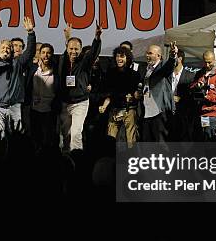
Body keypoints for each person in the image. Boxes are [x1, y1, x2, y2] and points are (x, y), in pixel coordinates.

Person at [0, 17, 36, 138]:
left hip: (14, 106)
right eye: (3, 48)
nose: (6, 50)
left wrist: (30, 33)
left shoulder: (17, 63)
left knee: (17, 137)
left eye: (8, 48)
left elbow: (30, 52)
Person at [58, 22, 102, 151]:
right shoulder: (62, 60)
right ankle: (66, 159)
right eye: (71, 49)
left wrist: (97, 38)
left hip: (80, 103)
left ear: (81, 50)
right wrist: (67, 37)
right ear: (67, 49)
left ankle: (78, 160)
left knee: (76, 133)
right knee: (66, 134)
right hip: (65, 103)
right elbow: (69, 47)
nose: (74, 51)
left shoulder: (85, 62)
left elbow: (94, 52)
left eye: (76, 49)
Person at [99, 46, 140, 148]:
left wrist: (136, 95)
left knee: (131, 139)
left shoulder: (134, 74)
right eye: (117, 56)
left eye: (122, 56)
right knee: (110, 138)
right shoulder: (110, 73)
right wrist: (104, 106)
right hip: (114, 109)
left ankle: (132, 159)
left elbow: (136, 92)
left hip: (129, 110)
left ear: (128, 58)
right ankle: (110, 160)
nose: (119, 59)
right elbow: (109, 94)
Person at [138, 43, 177, 142]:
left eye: (150, 53)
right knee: (147, 143)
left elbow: (169, 66)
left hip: (159, 111)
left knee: (160, 143)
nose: (147, 55)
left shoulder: (162, 66)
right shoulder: (145, 68)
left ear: (158, 56)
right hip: (146, 111)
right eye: (147, 53)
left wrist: (172, 56)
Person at [25, 43, 59, 151]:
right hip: (34, 108)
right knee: (35, 136)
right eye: (43, 52)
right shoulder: (33, 68)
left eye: (48, 53)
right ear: (39, 54)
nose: (46, 55)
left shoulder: (56, 70)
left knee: (48, 138)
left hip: (49, 110)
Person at [189, 49, 216, 141]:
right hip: (199, 114)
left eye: (209, 62)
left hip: (210, 115)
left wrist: (209, 98)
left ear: (215, 60)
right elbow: (191, 87)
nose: (207, 65)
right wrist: (197, 86)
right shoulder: (200, 73)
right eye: (205, 62)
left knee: (208, 141)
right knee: (200, 141)